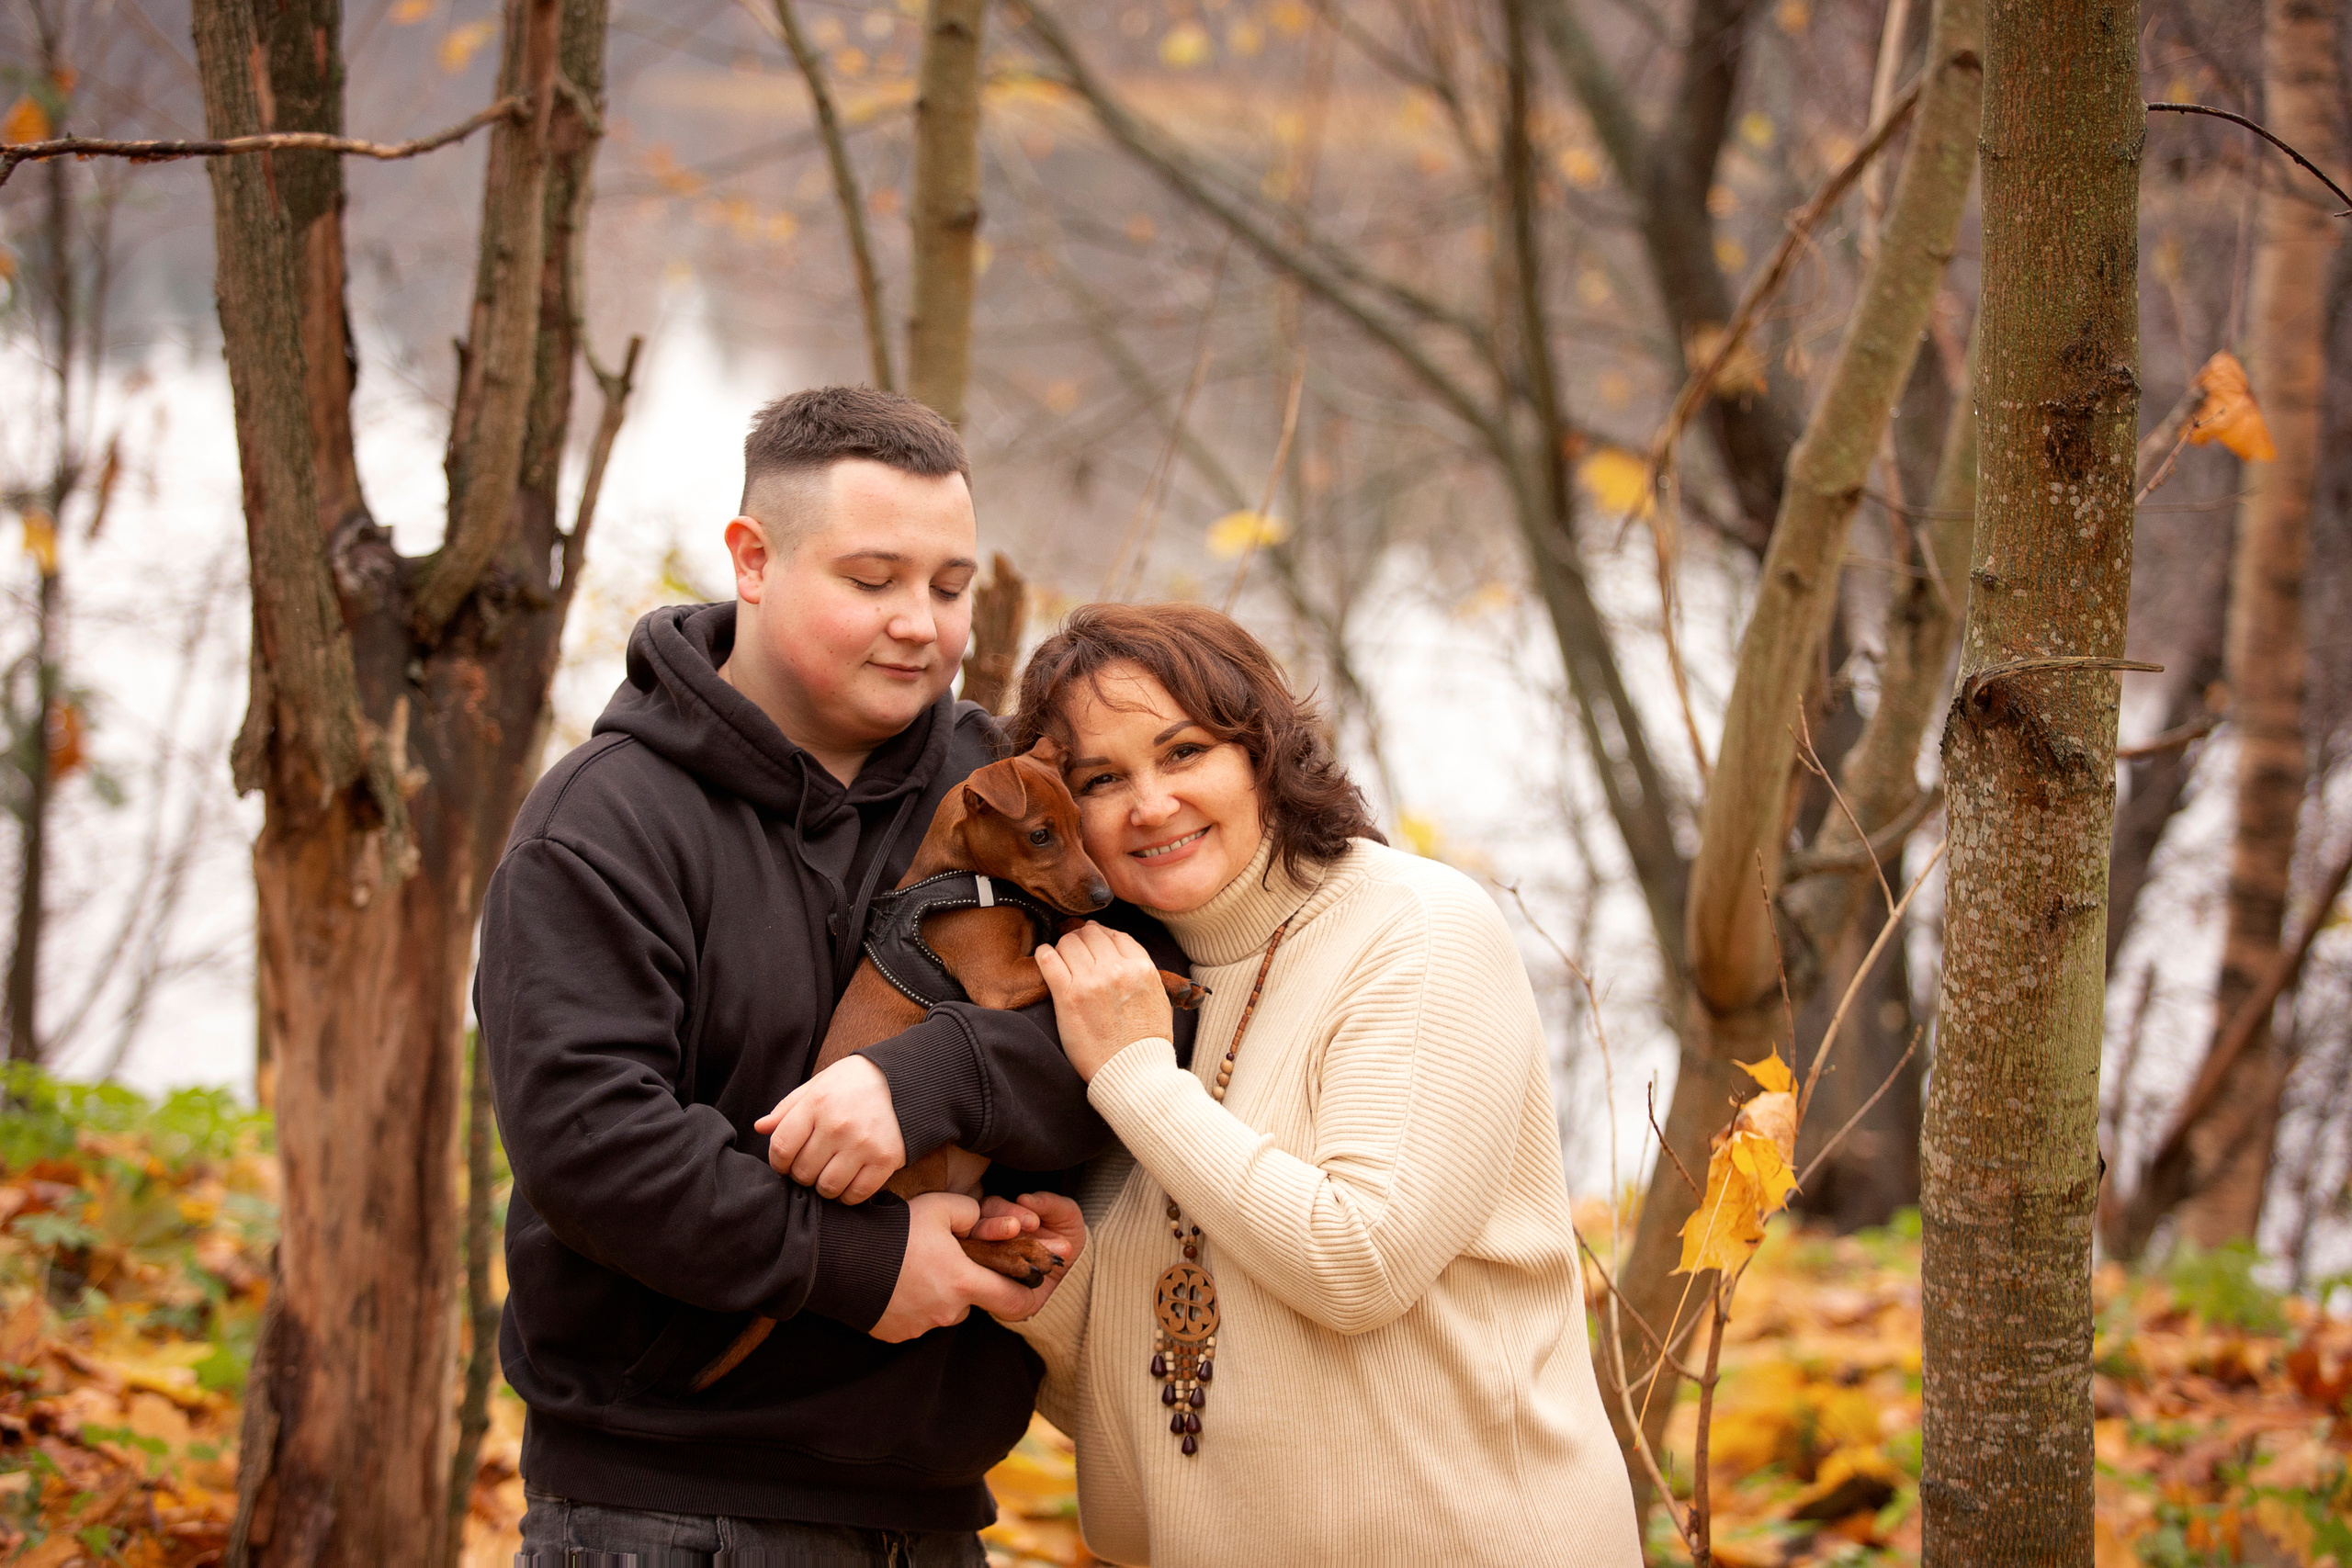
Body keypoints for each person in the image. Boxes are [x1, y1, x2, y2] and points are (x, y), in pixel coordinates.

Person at [478, 387, 1105, 1566]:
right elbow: (592, 1146)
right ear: (753, 560)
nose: (919, 625)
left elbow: (1120, 1017)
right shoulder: (603, 825)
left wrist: (937, 1083)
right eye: (872, 580)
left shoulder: (1004, 790)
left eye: (950, 588)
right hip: (665, 1513)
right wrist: (862, 1263)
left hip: (934, 1510)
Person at [1005, 603, 1641, 1565]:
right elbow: (1178, 1388)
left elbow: (1359, 1264)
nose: (1150, 804)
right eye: (1101, 779)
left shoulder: (1415, 928)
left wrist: (1134, 1077)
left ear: (1262, 749)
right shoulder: (1119, 988)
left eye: (1184, 752)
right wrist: (1050, 1289)